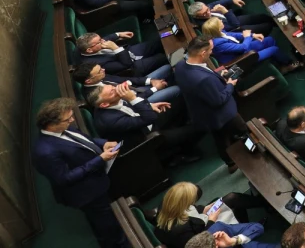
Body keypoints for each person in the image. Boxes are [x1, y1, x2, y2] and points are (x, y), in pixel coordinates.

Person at [32, 98, 127, 248]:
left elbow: (83, 140)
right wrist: (100, 160)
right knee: (107, 227)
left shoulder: (63, 128)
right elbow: (65, 178)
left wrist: (103, 143)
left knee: (102, 220)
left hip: (97, 180)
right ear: (51, 124)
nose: (72, 120)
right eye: (68, 119)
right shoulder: (45, 152)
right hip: (86, 193)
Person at [175, 36, 246, 169]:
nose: (211, 53)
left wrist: (218, 77)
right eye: (210, 50)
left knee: (220, 139)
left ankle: (230, 163)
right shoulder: (203, 80)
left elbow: (203, 79)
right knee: (242, 130)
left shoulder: (180, 66)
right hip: (222, 114)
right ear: (203, 53)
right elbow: (218, 101)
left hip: (201, 111)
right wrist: (230, 85)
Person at [87, 82, 198, 163]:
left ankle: (183, 141)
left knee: (178, 102)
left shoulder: (111, 100)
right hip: (145, 139)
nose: (117, 89)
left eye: (113, 87)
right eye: (112, 91)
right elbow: (150, 118)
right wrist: (133, 99)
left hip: (144, 122)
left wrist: (149, 106)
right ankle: (176, 155)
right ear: (104, 105)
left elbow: (137, 105)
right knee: (199, 127)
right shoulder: (110, 121)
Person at [155, 181, 269, 248]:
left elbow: (191, 209)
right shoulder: (180, 232)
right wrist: (211, 221)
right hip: (207, 233)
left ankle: (265, 203)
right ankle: (245, 232)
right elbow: (200, 243)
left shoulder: (167, 203)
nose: (194, 203)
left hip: (201, 221)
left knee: (232, 197)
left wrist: (203, 209)